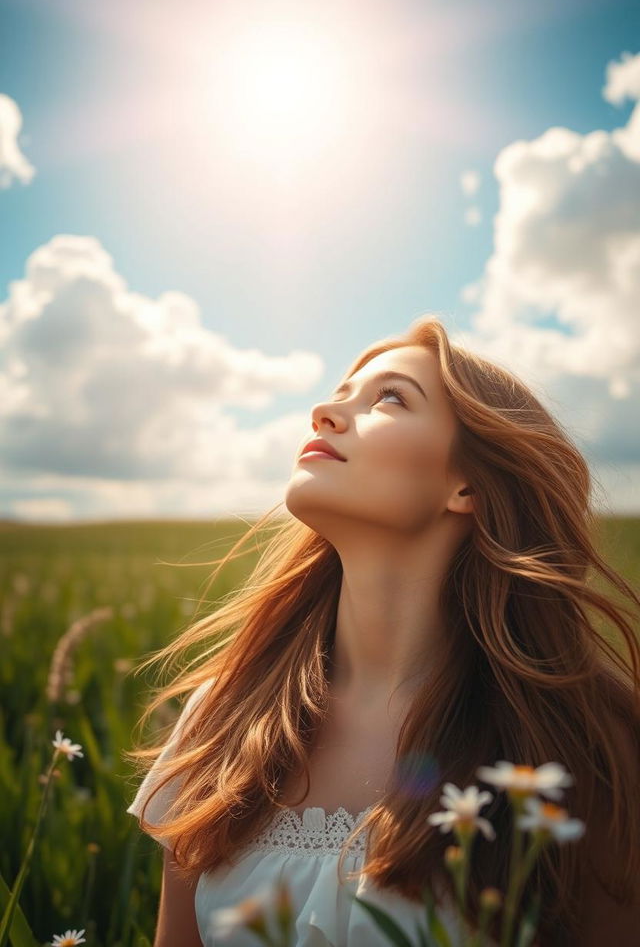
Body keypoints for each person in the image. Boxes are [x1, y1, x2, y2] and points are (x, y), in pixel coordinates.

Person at [124, 315, 640, 947]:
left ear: (467, 484)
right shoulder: (221, 718)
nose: (323, 411)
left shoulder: (583, 740)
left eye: (389, 398)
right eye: (339, 393)